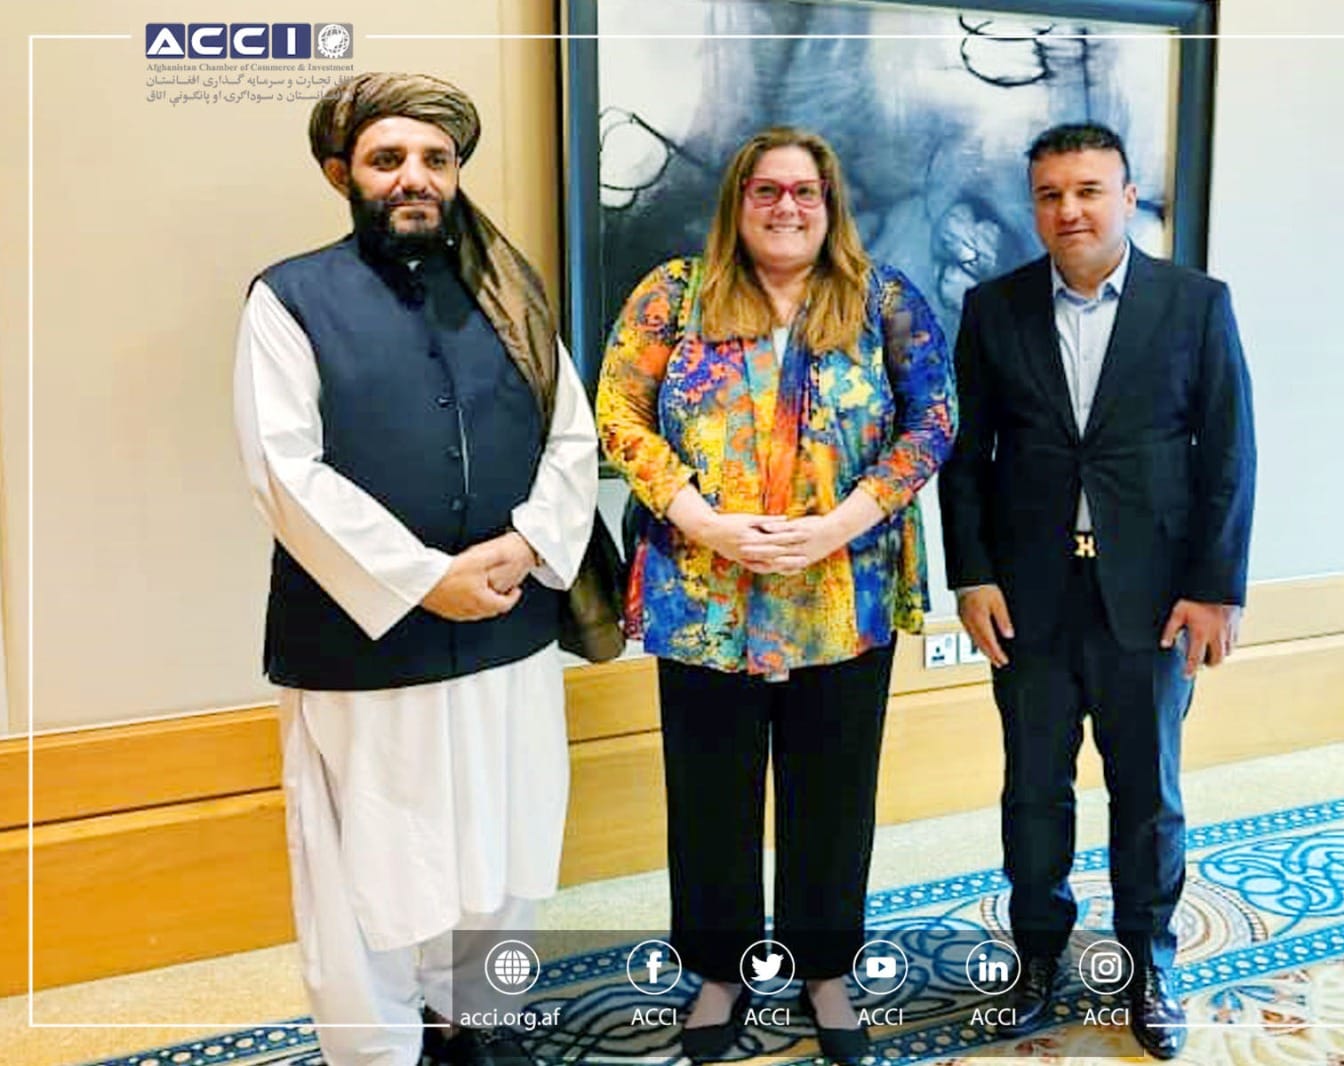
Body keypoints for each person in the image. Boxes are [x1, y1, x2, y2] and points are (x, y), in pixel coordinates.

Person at [233, 72, 599, 1066]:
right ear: (340, 173)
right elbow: (283, 468)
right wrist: (420, 577)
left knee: (505, 842)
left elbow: (572, 435)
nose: (415, 177)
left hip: (507, 624)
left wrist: (530, 544)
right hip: (363, 640)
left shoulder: (509, 294)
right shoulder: (289, 298)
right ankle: (379, 1049)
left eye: (436, 159)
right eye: (388, 158)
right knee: (369, 870)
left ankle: (482, 1019)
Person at [596, 126, 954, 1064]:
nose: (786, 207)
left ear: (829, 206)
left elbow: (934, 421)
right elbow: (618, 414)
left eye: (804, 192)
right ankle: (719, 974)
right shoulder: (673, 297)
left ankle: (825, 971)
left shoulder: (882, 301)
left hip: (842, 595)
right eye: (767, 191)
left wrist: (843, 522)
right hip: (703, 597)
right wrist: (702, 519)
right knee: (709, 798)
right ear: (738, 203)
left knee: (832, 796)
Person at [939, 122, 1256, 1060]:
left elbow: (1229, 456)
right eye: (1050, 195)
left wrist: (1214, 591)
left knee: (1148, 796)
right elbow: (965, 457)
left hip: (1152, 600)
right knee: (1033, 791)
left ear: (1127, 196)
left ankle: (1147, 966)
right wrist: (972, 575)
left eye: (1087, 191)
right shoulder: (992, 310)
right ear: (1034, 206)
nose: (1068, 210)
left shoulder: (1195, 304)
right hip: (1029, 597)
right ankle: (1036, 959)